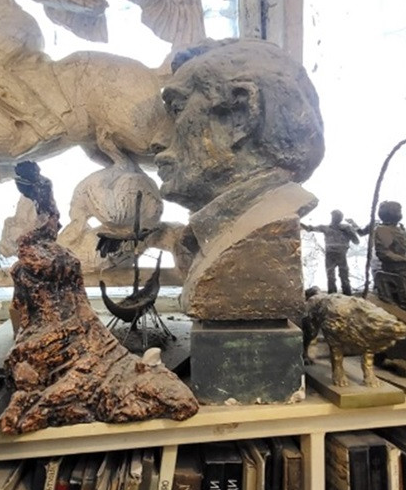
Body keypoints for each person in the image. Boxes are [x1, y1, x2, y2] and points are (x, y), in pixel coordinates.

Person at [153, 38, 324, 320]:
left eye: (177, 108)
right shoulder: (214, 235)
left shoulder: (261, 232)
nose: (157, 140)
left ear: (241, 116)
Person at [302, 210, 360, 295]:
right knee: (335, 276)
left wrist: (349, 231)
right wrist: (298, 222)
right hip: (335, 255)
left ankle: (342, 294)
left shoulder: (344, 228)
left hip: (336, 255)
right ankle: (339, 295)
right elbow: (309, 228)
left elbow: (356, 241)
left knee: (337, 276)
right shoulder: (328, 228)